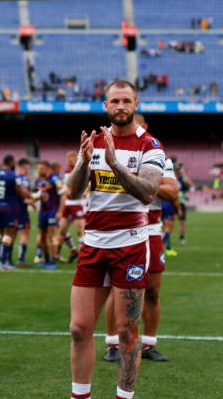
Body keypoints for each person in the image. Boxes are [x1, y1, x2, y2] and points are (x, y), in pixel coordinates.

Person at [66, 80, 165, 399]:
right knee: (79, 329)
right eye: (114, 101)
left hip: (131, 246)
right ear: (105, 105)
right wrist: (84, 162)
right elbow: (73, 189)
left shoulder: (150, 146)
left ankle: (124, 396)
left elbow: (149, 192)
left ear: (136, 104)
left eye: (126, 101)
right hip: (93, 243)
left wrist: (113, 164)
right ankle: (80, 395)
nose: (120, 106)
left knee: (126, 331)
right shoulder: (94, 140)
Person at [102, 113, 179, 364]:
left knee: (153, 292)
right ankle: (112, 344)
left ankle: (149, 345)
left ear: (144, 127)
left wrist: (140, 182)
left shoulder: (159, 157)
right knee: (116, 291)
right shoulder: (113, 154)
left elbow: (173, 192)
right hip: (122, 231)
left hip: (152, 231)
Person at [0, 155, 24, 270]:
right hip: (10, 207)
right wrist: (33, 196)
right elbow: (20, 191)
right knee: (9, 235)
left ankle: (2, 259)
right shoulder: (14, 175)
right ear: (11, 162)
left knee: (1, 234)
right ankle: (3, 262)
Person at [34, 160, 63, 269]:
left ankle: (53, 260)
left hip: (52, 211)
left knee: (52, 236)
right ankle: (46, 260)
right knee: (42, 236)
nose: (39, 170)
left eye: (41, 168)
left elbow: (63, 194)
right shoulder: (39, 180)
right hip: (43, 211)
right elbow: (35, 193)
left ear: (47, 168)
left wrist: (60, 211)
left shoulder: (55, 179)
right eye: (38, 168)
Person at [57, 151, 85, 263]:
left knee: (80, 230)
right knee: (62, 231)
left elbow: (79, 188)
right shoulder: (67, 171)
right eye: (68, 158)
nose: (69, 160)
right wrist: (60, 209)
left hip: (78, 203)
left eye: (72, 158)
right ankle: (73, 251)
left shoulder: (82, 169)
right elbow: (66, 190)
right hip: (68, 204)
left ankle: (84, 257)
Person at [14, 158, 34, 267]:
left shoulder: (15, 177)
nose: (28, 170)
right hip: (22, 210)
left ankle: (5, 259)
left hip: (13, 209)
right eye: (27, 167)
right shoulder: (23, 179)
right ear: (23, 167)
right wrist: (32, 200)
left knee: (11, 234)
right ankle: (21, 259)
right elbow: (23, 195)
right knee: (25, 234)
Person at [175, 163, 193, 245]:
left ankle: (181, 238)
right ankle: (164, 238)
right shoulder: (172, 177)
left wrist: (184, 174)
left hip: (180, 203)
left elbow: (191, 185)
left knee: (182, 222)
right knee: (167, 221)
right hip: (171, 202)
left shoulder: (182, 179)